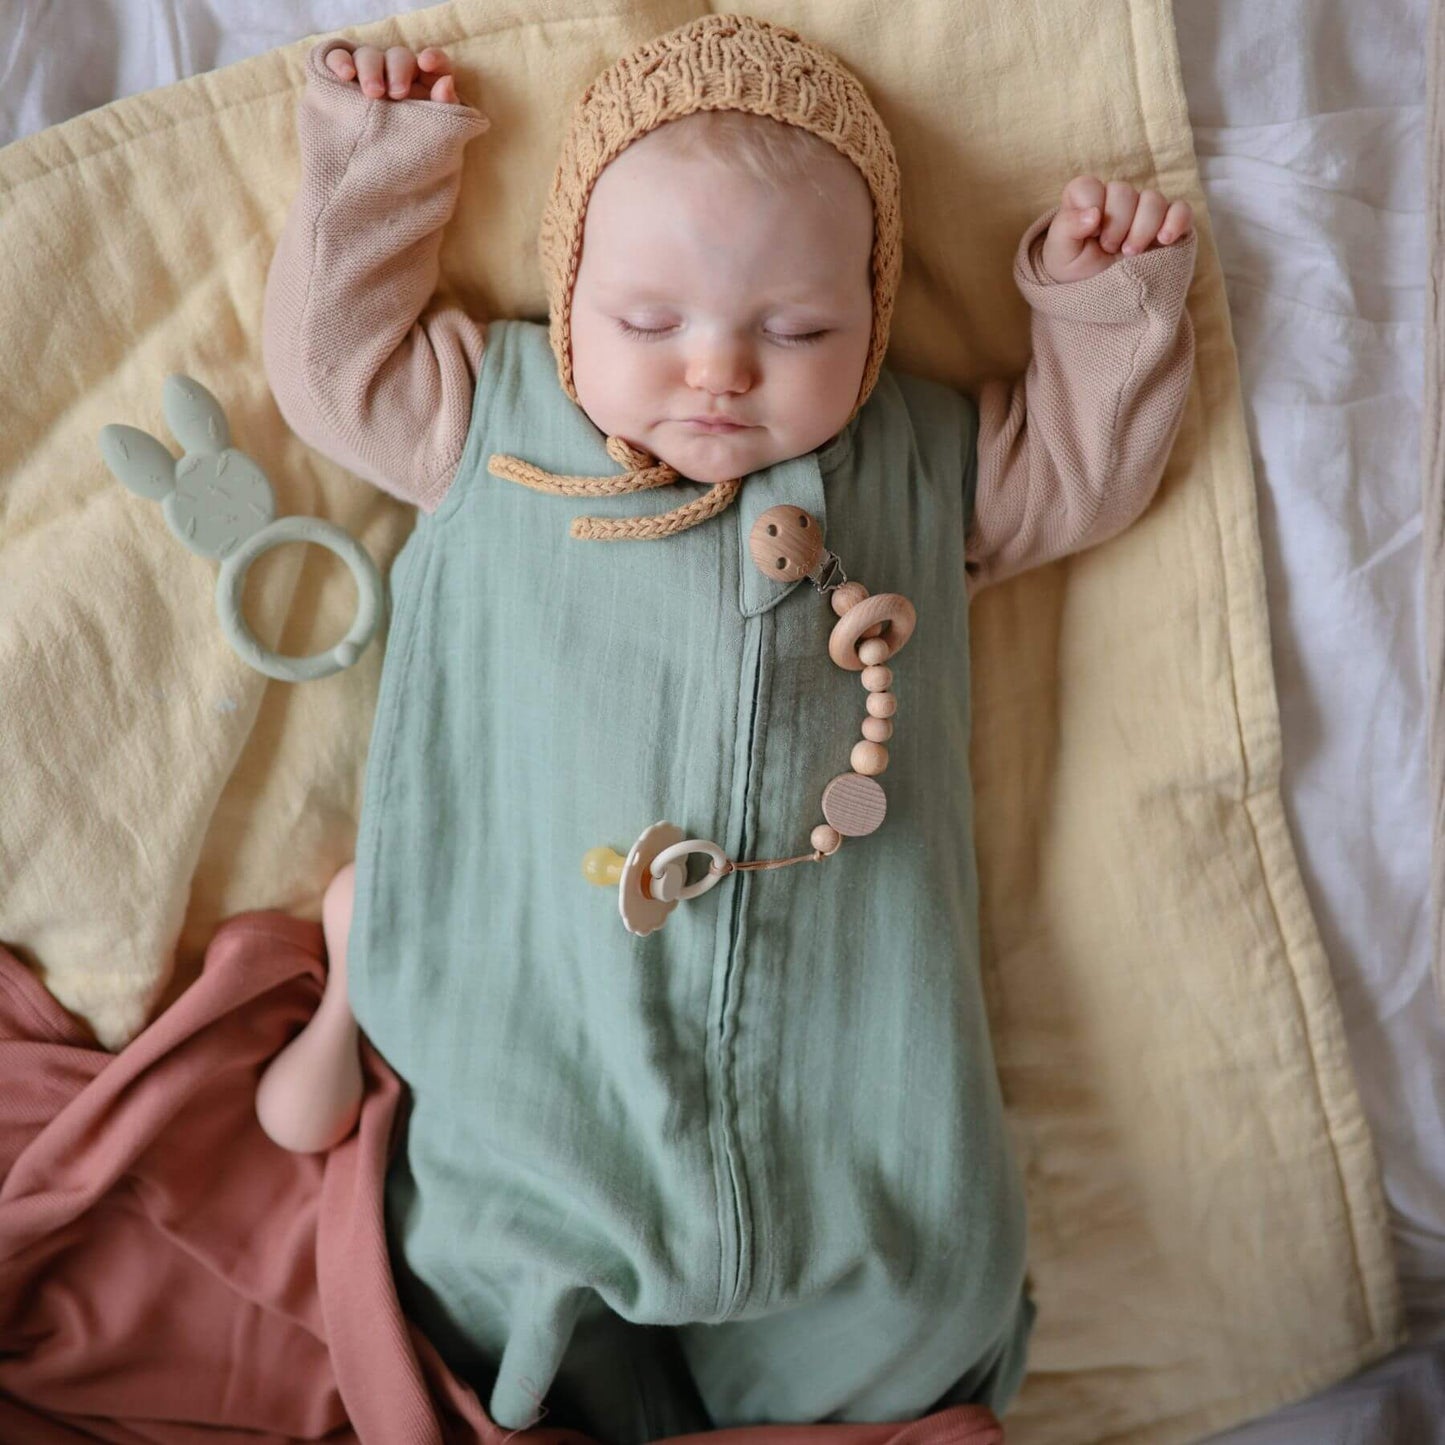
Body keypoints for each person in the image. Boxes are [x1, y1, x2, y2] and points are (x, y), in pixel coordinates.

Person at [257, 14, 1197, 1442]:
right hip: (547, 1062)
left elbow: (1076, 476)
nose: (719, 370)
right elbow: (332, 366)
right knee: (484, 1296)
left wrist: (1102, 309)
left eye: (798, 331)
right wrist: (379, 161)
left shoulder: (915, 458)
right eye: (648, 322)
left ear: (872, 321)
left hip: (858, 1092)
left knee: (932, 1287)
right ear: (569, 291)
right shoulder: (491, 417)